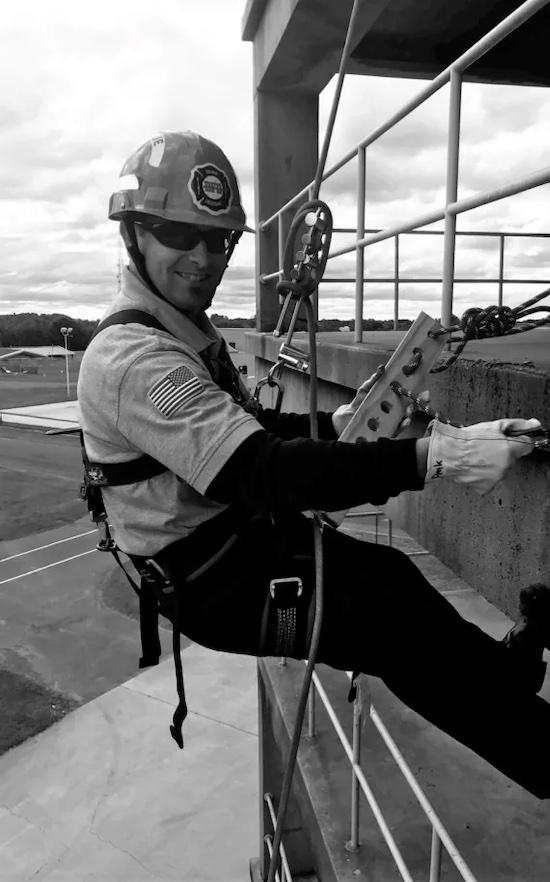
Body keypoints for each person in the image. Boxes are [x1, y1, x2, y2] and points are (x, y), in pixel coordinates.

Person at [78, 130, 550, 798]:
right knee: (387, 615)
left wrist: (334, 424)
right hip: (211, 578)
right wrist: (435, 457)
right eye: (178, 234)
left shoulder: (182, 335)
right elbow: (261, 472)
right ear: (135, 233)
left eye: (220, 241)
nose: (204, 258)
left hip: (227, 545)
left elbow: (251, 431)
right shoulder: (135, 360)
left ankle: (506, 681)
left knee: (390, 580)